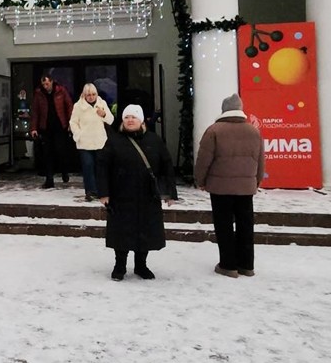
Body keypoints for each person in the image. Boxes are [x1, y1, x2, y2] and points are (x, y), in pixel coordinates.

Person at [97, 105, 178, 282]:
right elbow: (102, 167)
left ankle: (141, 265)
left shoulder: (154, 140)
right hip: (121, 195)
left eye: (134, 117)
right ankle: (120, 266)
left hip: (148, 196)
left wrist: (170, 192)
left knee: (145, 231)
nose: (130, 120)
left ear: (141, 121)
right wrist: (103, 192)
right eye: (127, 117)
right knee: (121, 231)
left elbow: (166, 165)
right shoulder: (114, 141)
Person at [194, 93, 265, 279]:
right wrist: (256, 180)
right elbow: (260, 160)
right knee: (245, 225)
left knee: (224, 225)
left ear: (224, 110)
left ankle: (228, 265)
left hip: (220, 187)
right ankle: (246, 265)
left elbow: (203, 159)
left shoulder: (214, 131)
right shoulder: (254, 131)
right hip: (246, 187)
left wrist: (200, 180)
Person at [69, 83, 114, 202]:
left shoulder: (102, 103)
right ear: (84, 95)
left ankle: (102, 190)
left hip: (100, 141)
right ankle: (90, 191)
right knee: (88, 166)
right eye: (88, 95)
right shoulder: (78, 106)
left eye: (93, 94)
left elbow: (111, 120)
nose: (91, 97)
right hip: (84, 142)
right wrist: (78, 135)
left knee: (101, 167)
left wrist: (104, 114)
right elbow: (73, 122)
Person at [30, 74, 74, 188]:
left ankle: (64, 170)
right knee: (47, 153)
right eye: (43, 84)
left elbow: (69, 106)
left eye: (47, 84)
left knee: (60, 150)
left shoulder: (61, 91)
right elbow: (35, 112)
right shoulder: (39, 94)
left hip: (60, 126)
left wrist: (70, 123)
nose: (45, 86)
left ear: (52, 82)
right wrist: (34, 128)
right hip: (46, 127)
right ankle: (49, 179)